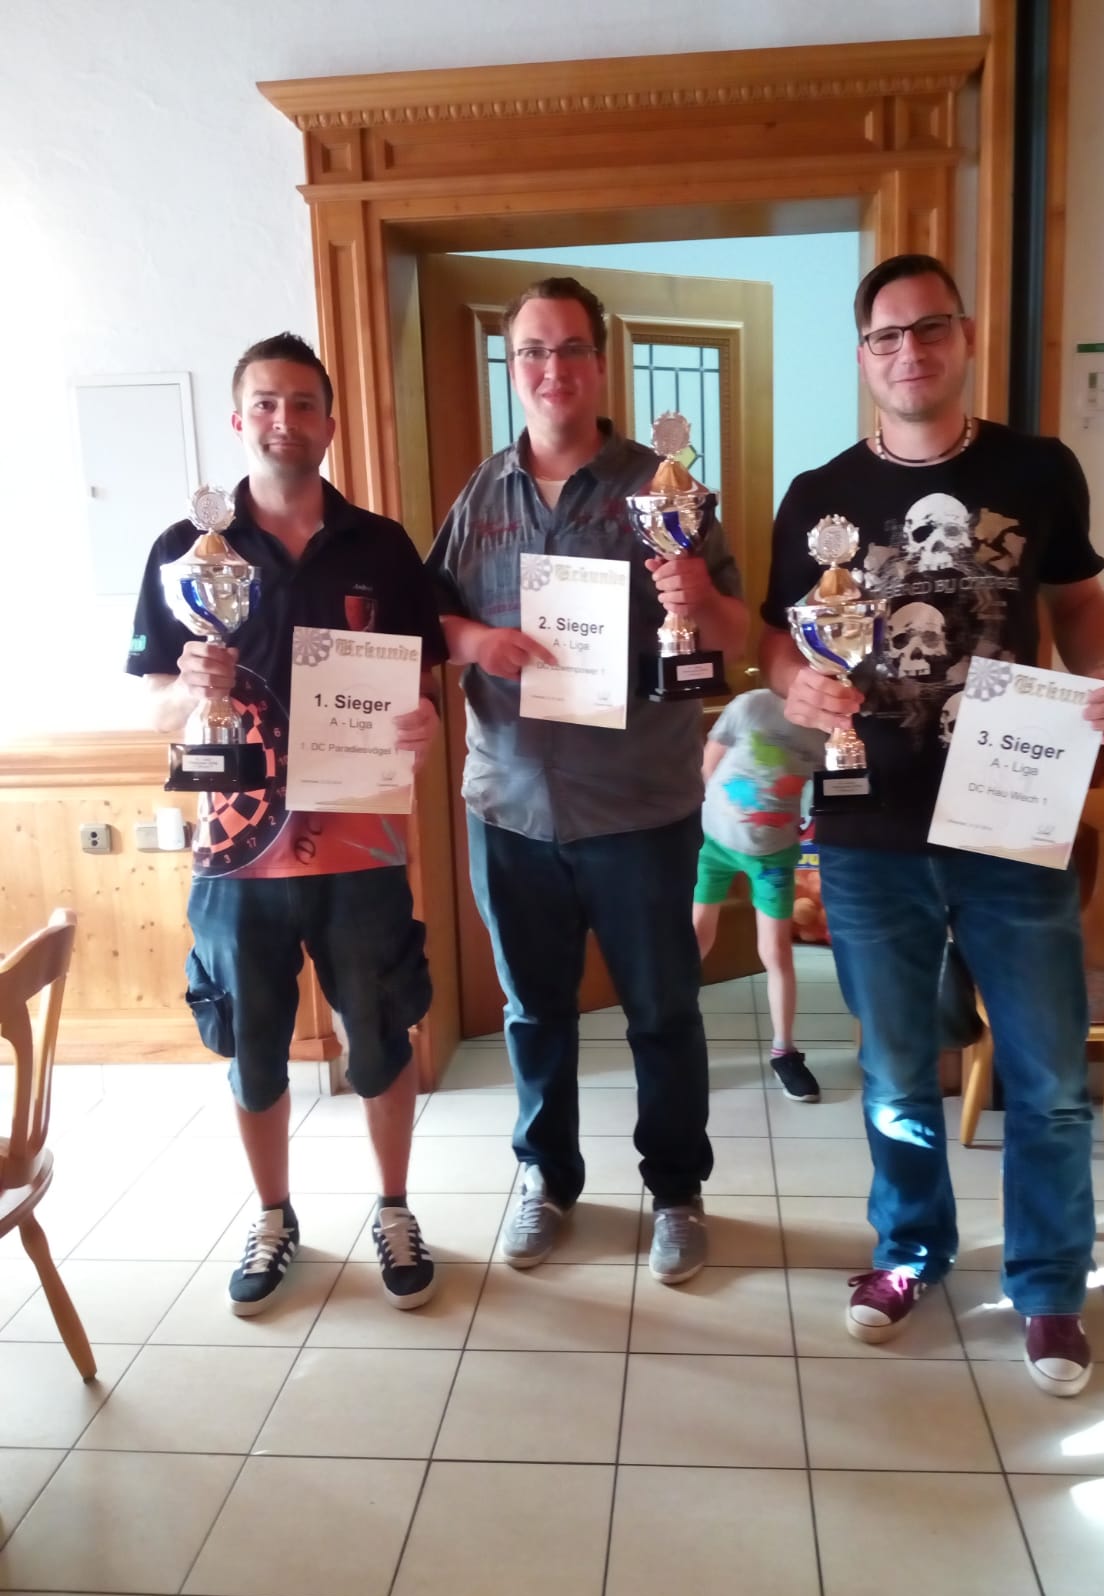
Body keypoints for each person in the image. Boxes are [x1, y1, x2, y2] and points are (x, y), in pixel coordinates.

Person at [759, 254, 1104, 1396]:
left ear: (964, 337)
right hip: (869, 827)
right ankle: (910, 1253)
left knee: (1048, 1079)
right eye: (886, 336)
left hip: (1012, 819)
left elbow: (1081, 602)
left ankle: (1050, 1288)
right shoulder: (817, 495)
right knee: (894, 1072)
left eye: (929, 328)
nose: (910, 352)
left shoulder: (1038, 469)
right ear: (864, 357)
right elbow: (782, 636)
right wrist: (791, 683)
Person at [426, 276, 747, 1285]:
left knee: (663, 1011)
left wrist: (693, 595)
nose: (551, 369)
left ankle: (678, 1190)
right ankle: (547, 1178)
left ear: (601, 364)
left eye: (570, 348)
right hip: (511, 806)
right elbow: (426, 617)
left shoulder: (666, 488)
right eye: (533, 350)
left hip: (640, 808)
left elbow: (730, 629)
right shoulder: (482, 494)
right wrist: (476, 640)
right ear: (512, 367)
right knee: (535, 1012)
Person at [127, 333, 447, 1316]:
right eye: (266, 403)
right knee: (254, 1047)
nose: (284, 420)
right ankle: (273, 1216)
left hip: (360, 843)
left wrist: (424, 723)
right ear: (239, 419)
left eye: (303, 403)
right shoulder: (184, 552)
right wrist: (190, 689)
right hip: (236, 852)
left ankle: (394, 1207)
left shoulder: (383, 544)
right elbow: (155, 709)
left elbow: (424, 686)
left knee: (380, 1036)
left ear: (330, 423)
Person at [692, 688, 826, 1100]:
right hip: (714, 843)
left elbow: (826, 788)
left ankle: (785, 1051)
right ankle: (673, 1036)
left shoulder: (828, 729)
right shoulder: (752, 705)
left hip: (773, 855)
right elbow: (708, 765)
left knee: (776, 951)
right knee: (695, 938)